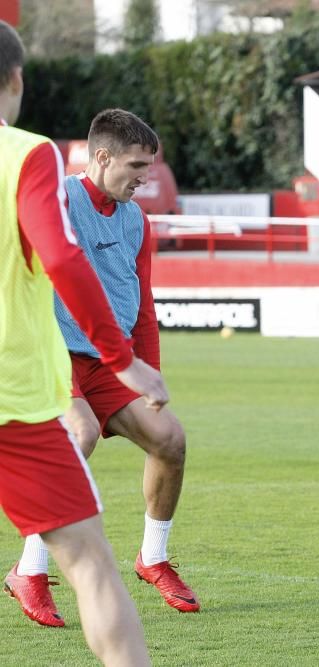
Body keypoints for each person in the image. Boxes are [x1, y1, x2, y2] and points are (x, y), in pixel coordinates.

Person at [0, 19, 165, 666]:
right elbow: (64, 258)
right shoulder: (28, 153)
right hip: (16, 399)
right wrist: (124, 359)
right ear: (17, 80)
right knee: (92, 564)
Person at [5, 108, 200, 627]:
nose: (145, 178)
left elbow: (143, 305)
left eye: (150, 168)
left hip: (112, 365)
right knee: (80, 433)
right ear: (102, 157)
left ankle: (153, 559)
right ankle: (30, 570)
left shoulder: (138, 220)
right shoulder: (58, 196)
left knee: (171, 440)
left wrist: (150, 374)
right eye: (136, 166)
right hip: (53, 353)